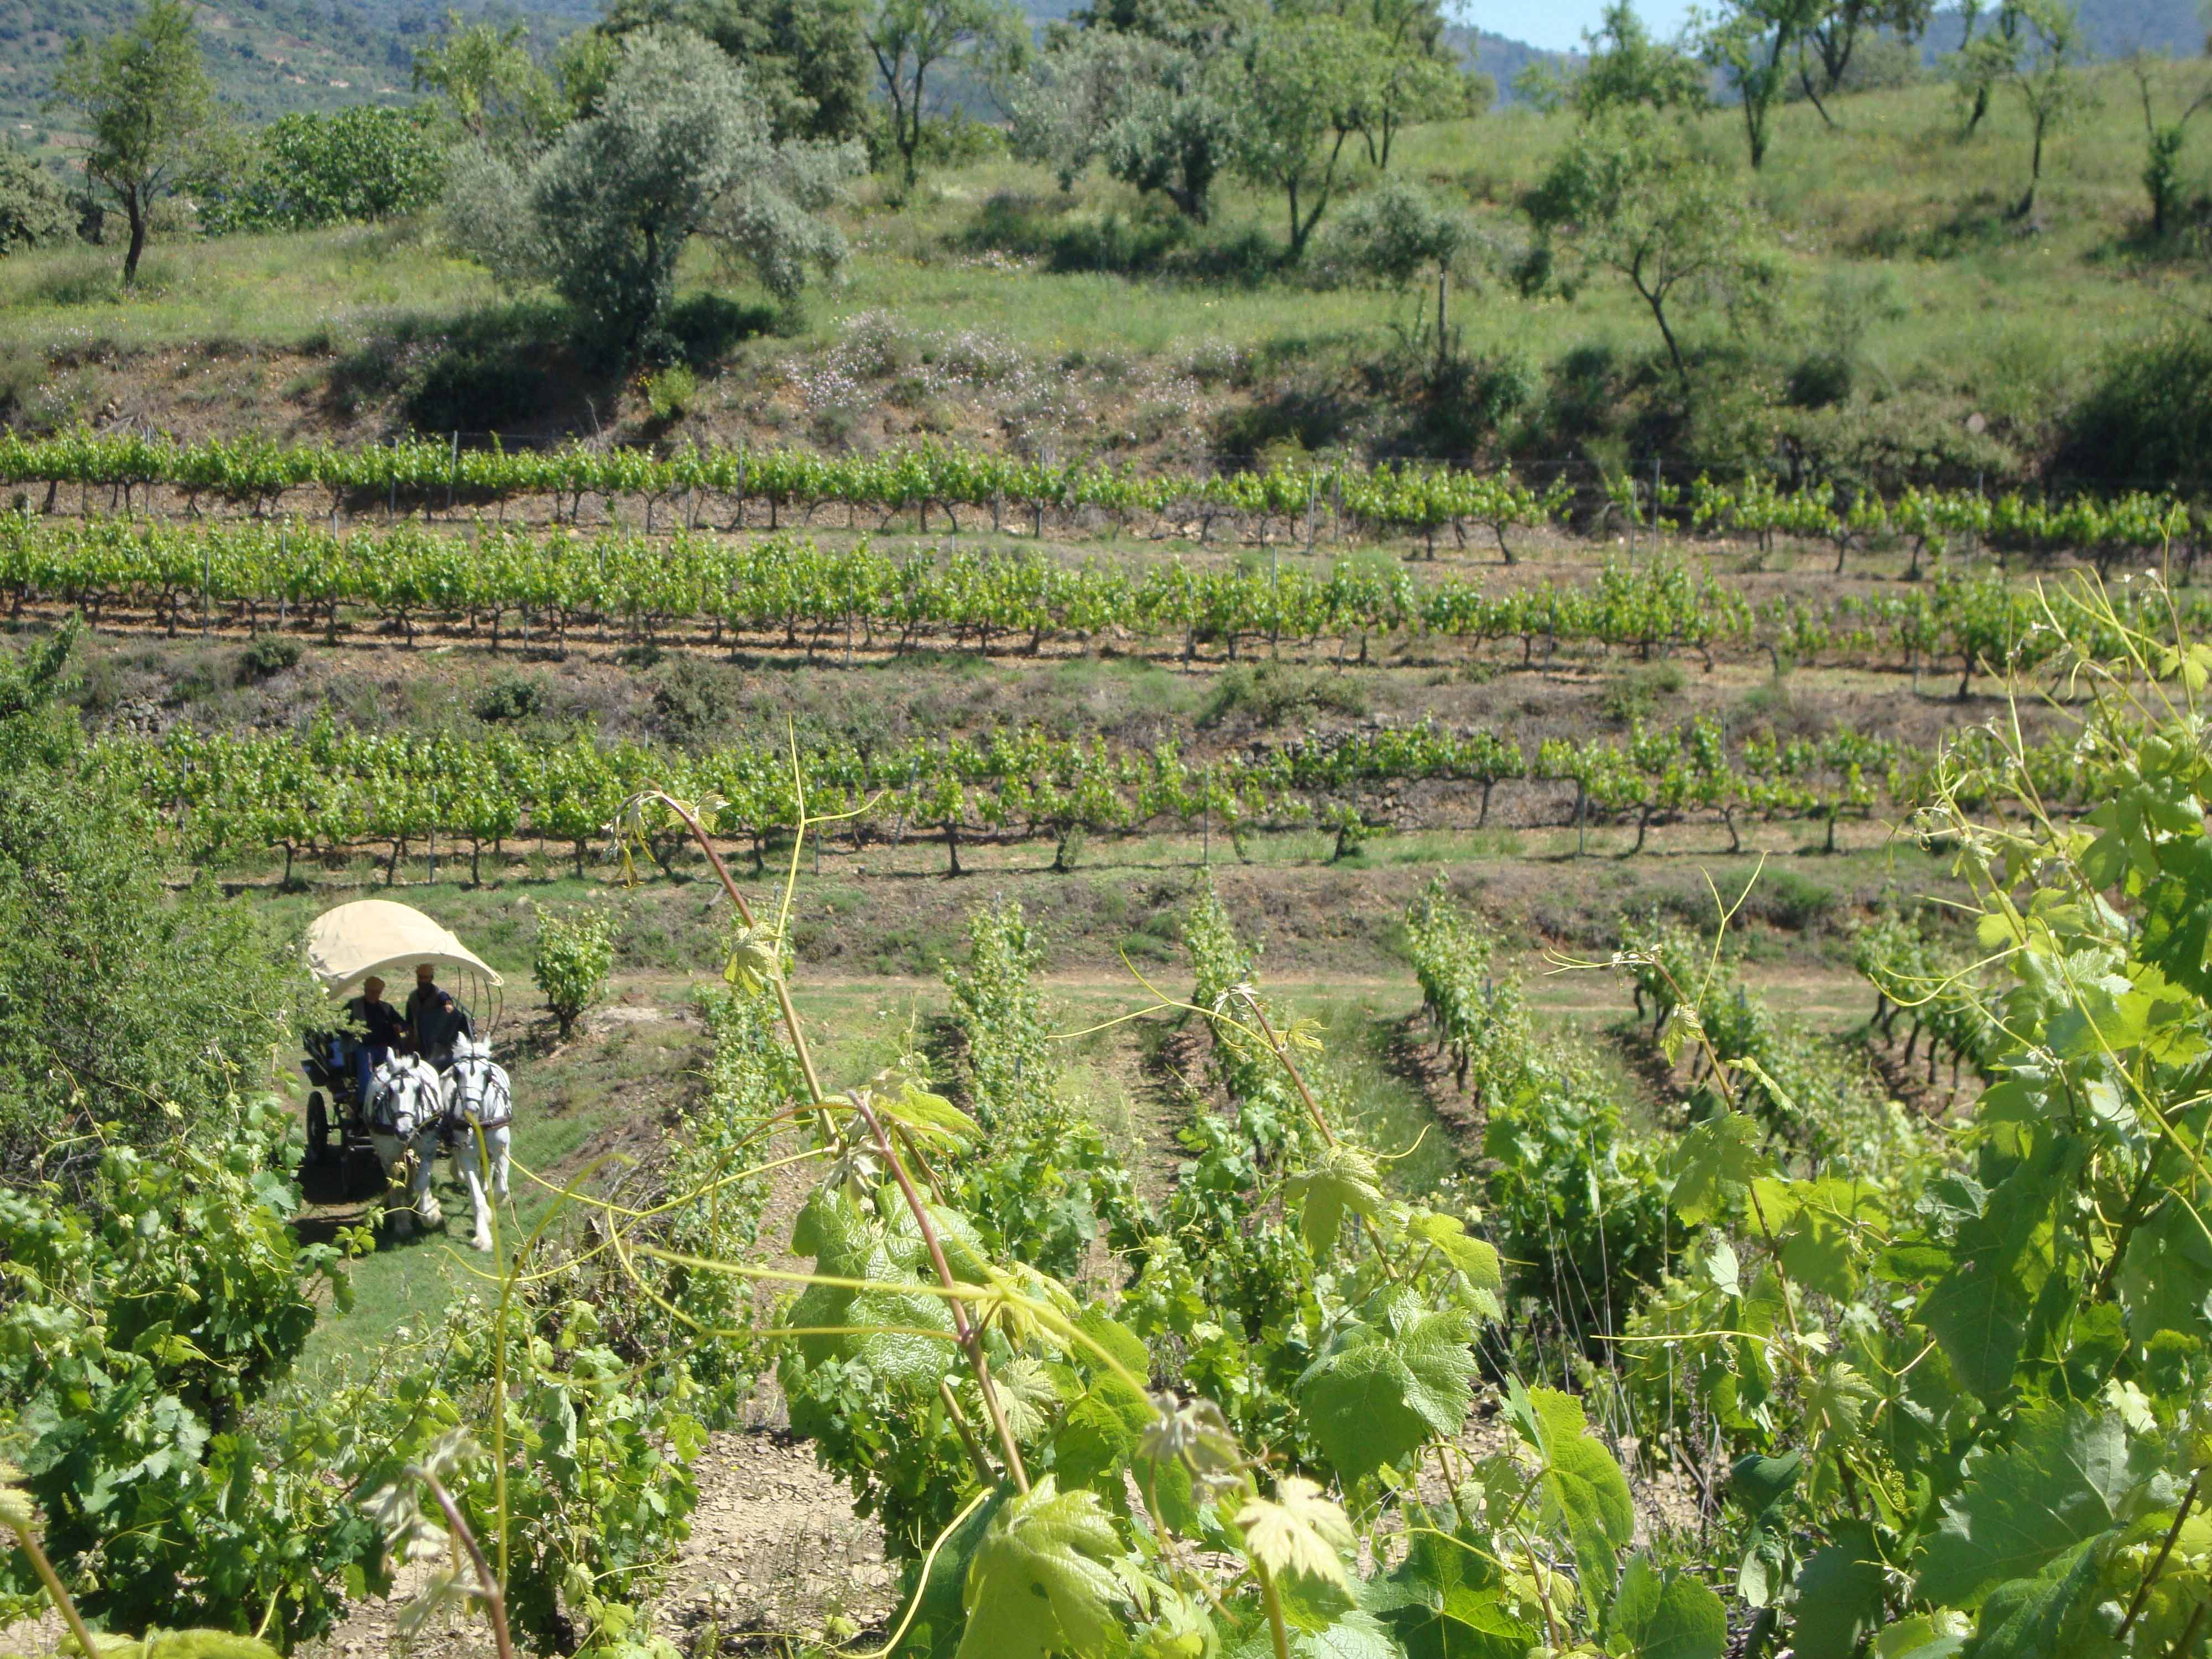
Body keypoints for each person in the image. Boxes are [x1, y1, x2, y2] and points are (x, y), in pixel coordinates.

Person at [345, 975, 405, 1106]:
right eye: (371, 992)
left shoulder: (386, 1008)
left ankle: (394, 1098)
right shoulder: (354, 1005)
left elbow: (402, 1023)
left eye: (377, 992)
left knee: (394, 1070)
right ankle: (366, 1102)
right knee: (366, 1072)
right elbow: (341, 1025)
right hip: (362, 1046)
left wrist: (399, 1027)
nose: (374, 995)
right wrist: (353, 1030)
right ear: (365, 990)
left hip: (384, 1047)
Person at [406, 962, 474, 1068]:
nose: (423, 981)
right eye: (420, 978)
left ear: (431, 978)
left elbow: (446, 1000)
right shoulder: (413, 997)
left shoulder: (438, 993)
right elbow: (410, 1021)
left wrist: (448, 1005)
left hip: (436, 1039)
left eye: (425, 978)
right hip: (419, 1038)